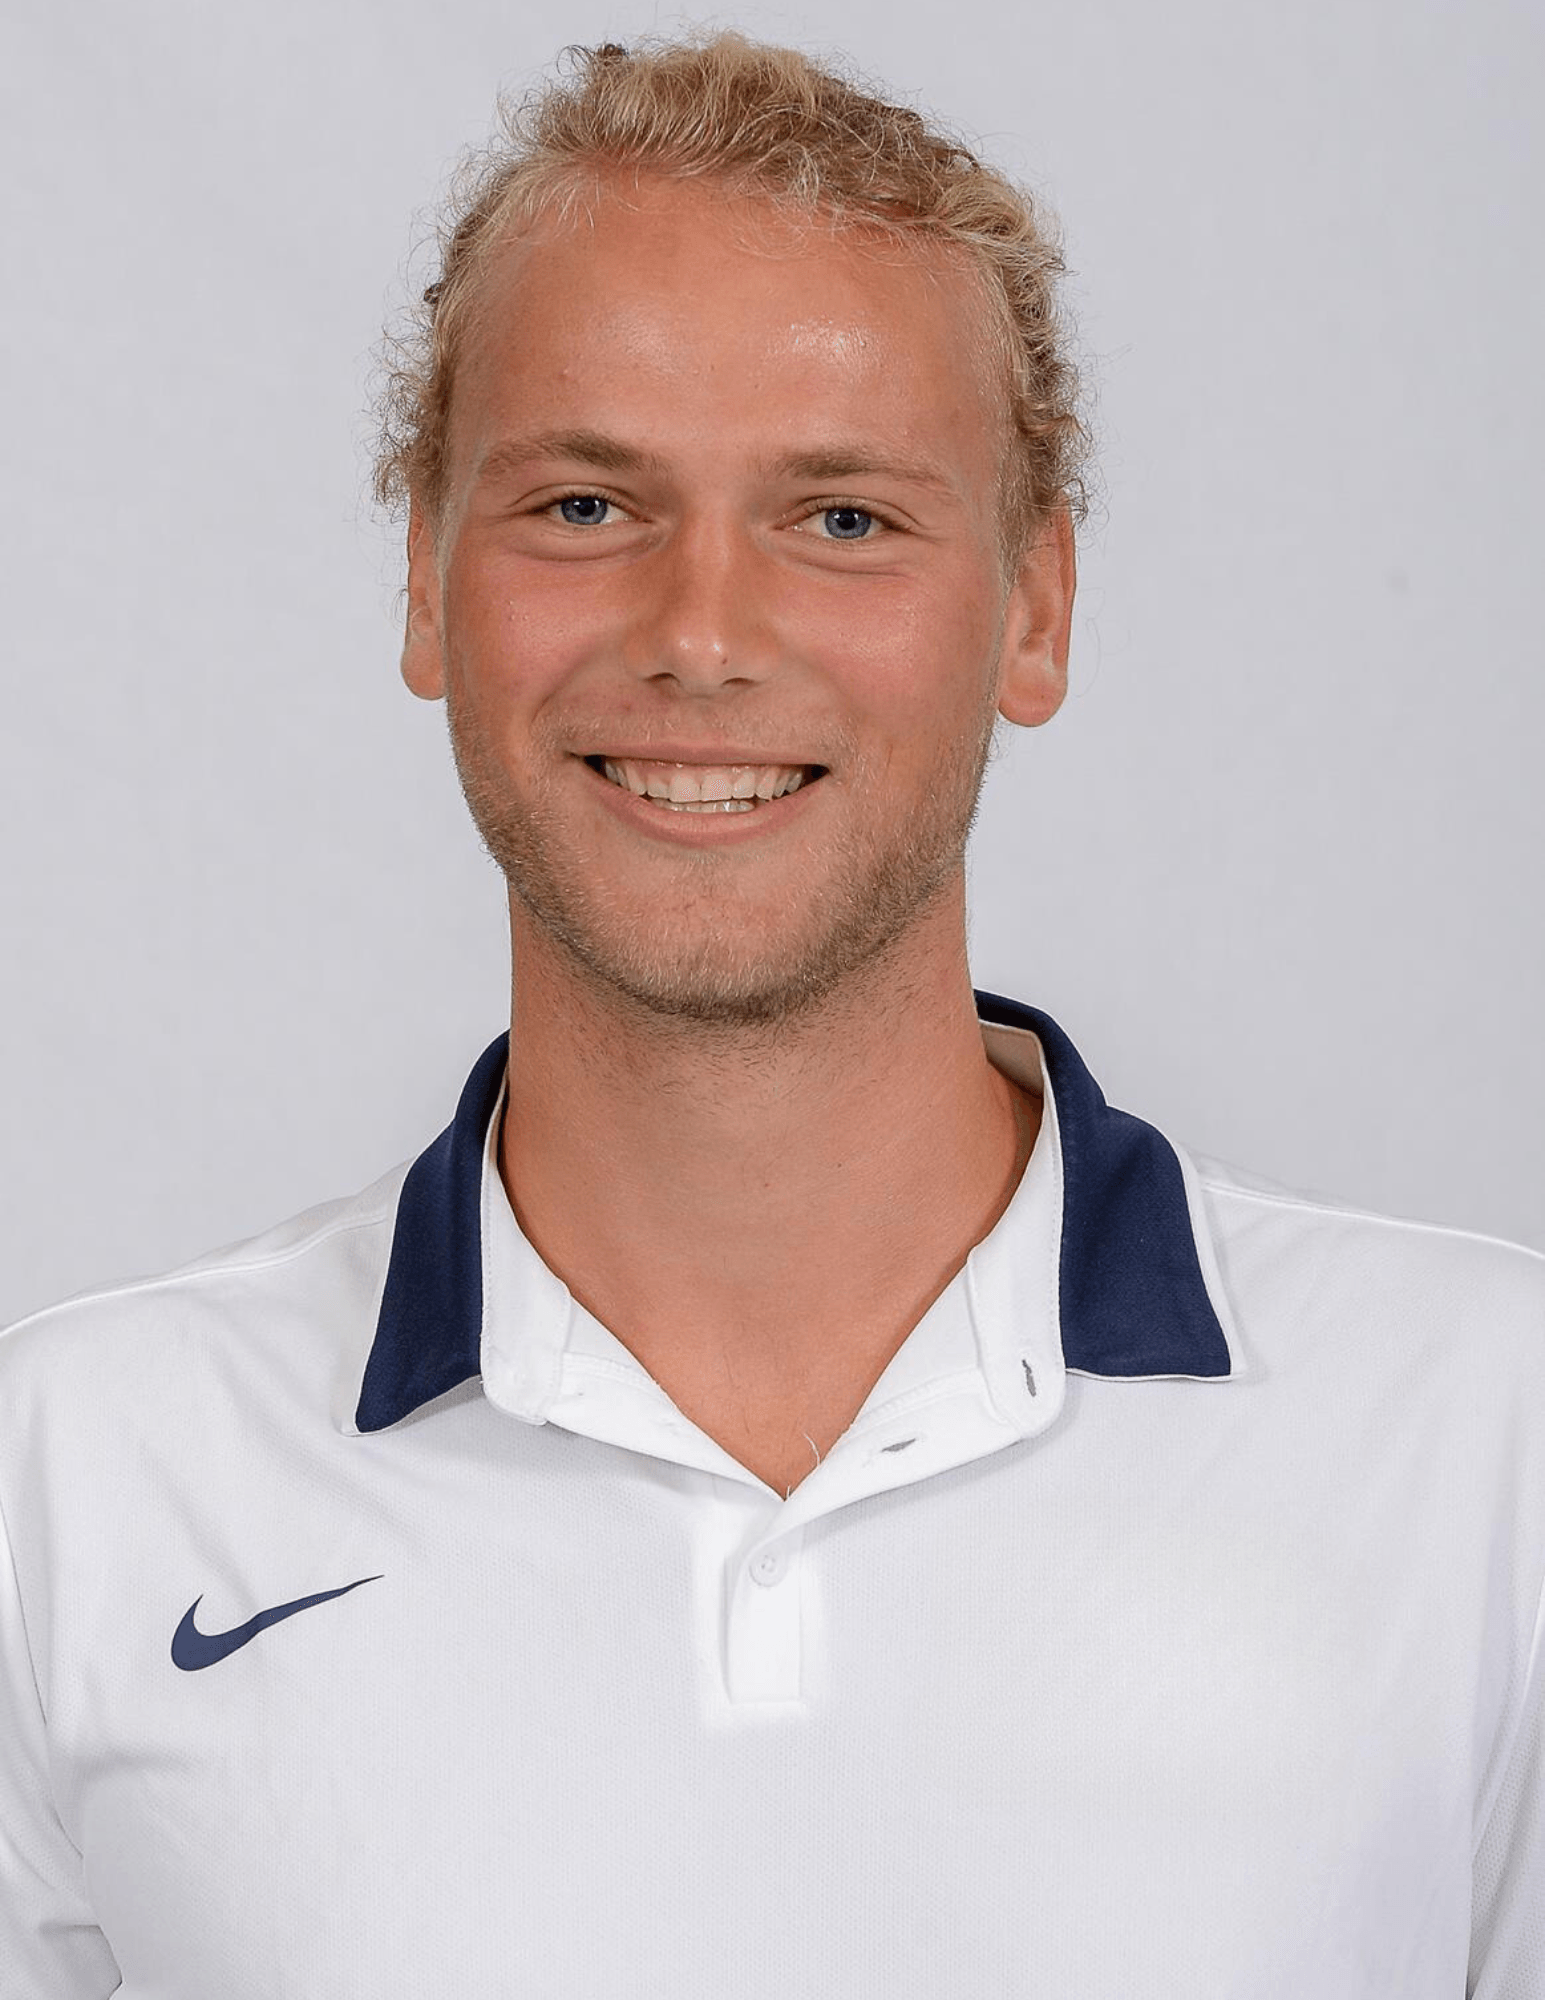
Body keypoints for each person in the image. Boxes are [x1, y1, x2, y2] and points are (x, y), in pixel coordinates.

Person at [2, 30, 1540, 1997]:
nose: (700, 633)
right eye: (580, 505)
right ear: (421, 584)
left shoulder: (1489, 1447)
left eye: (840, 520)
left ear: (1034, 610)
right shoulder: (70, 1485)